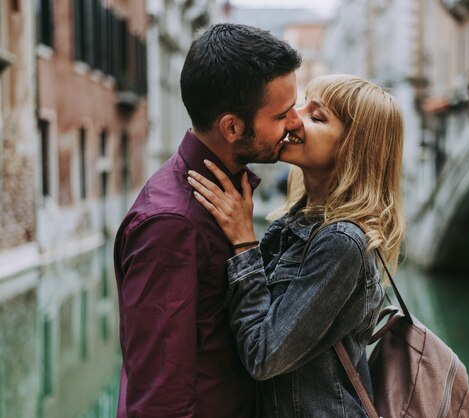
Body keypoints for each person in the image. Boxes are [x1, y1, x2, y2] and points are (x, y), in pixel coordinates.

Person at [187, 74, 405, 417]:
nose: (293, 118)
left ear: (353, 148)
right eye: (302, 105)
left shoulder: (342, 243)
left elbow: (263, 356)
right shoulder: (296, 222)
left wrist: (245, 243)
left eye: (316, 117)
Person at [113, 23, 302, 417]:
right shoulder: (171, 224)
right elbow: (158, 399)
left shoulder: (229, 197)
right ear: (232, 127)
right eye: (282, 114)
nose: (295, 123)